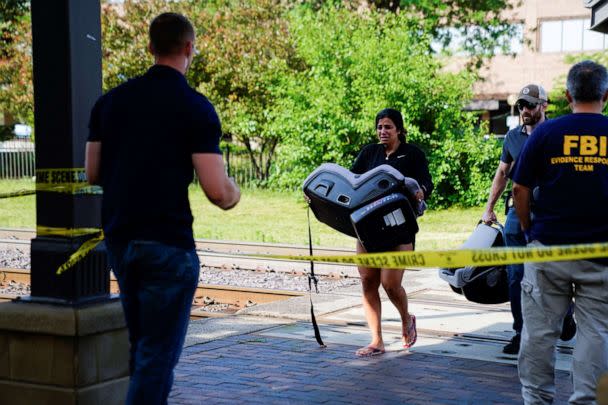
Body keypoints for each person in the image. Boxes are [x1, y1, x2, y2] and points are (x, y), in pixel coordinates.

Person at [85, 13, 240, 404]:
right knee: (156, 359)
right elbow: (217, 192)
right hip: (168, 246)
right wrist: (235, 192)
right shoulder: (195, 107)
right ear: (189, 48)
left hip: (121, 241)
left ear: (151, 47)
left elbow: (92, 173)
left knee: (141, 353)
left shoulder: (109, 103)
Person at [511, 60, 608, 404]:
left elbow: (519, 190)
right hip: (600, 257)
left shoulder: (546, 134)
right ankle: (587, 400)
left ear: (567, 95)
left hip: (547, 251)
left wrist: (526, 231)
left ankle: (537, 401)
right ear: (606, 95)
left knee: (538, 336)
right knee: (596, 335)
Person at [481, 84, 576, 355]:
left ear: (544, 105)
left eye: (531, 105)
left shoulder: (559, 133)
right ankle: (521, 332)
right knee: (516, 277)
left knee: (555, 274)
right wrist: (489, 207)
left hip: (552, 214)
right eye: (522, 105)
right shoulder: (512, 137)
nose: (525, 110)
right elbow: (502, 174)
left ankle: (566, 315)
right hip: (516, 213)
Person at [350, 108, 433, 357]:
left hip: (400, 228)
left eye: (388, 127)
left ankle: (406, 319)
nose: (383, 131)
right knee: (367, 281)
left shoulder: (413, 154)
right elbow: (353, 180)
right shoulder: (369, 153)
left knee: (390, 283)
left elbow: (427, 182)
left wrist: (422, 191)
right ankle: (377, 341)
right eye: (379, 127)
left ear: (399, 129)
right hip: (367, 227)